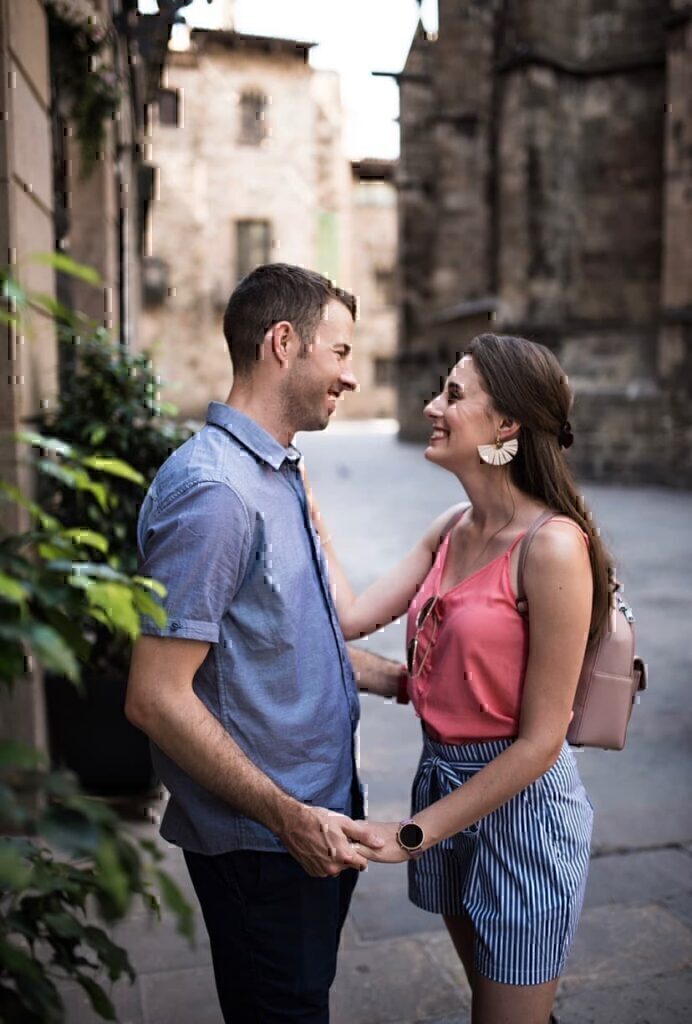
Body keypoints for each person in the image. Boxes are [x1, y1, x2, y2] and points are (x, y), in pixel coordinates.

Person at [125, 263, 404, 1024]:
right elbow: (155, 696)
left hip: (315, 821)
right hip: (266, 845)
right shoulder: (215, 493)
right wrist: (287, 816)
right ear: (285, 343)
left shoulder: (274, 470)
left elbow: (280, 635)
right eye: (339, 352)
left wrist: (399, 680)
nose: (349, 376)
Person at [307, 332, 610, 1024]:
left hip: (520, 812)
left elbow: (540, 742)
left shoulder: (553, 546)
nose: (430, 406)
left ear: (506, 425)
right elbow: (350, 616)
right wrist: (305, 509)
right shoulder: (452, 526)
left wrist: (411, 834)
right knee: (494, 1003)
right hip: (444, 782)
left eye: (452, 395)